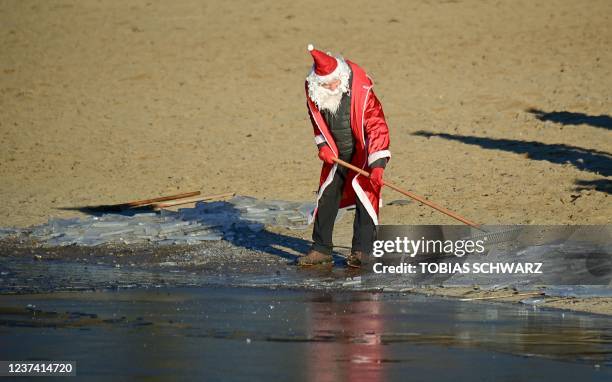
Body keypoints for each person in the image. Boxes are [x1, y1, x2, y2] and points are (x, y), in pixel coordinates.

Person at [299, 44, 391, 268]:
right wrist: (323, 146)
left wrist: (377, 165)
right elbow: (316, 122)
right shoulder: (314, 90)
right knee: (328, 195)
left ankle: (362, 251)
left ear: (341, 74)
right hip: (337, 152)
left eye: (335, 82)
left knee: (365, 196)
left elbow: (377, 126)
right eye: (326, 84)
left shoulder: (362, 91)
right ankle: (321, 249)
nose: (331, 86)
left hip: (364, 151)